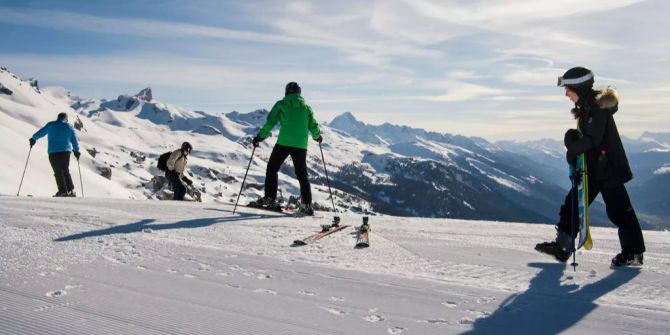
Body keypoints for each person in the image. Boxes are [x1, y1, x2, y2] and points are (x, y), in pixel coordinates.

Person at [535, 66, 645, 267]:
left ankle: (633, 253)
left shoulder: (596, 109)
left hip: (608, 170)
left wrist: (571, 143)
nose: (566, 93)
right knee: (572, 204)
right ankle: (563, 246)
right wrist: (574, 147)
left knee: (620, 211)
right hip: (593, 170)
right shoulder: (588, 108)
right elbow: (588, 141)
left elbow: (592, 140)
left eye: (568, 88)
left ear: (580, 87)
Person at [250, 82, 322, 215]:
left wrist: (260, 137)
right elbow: (313, 125)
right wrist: (317, 137)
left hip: (283, 142)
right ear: (299, 93)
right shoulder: (306, 108)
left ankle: (270, 199)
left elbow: (270, 122)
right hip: (301, 145)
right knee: (302, 175)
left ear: (286, 92)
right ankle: (306, 205)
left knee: (272, 168)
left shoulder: (281, 104)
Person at [30, 112, 81, 197]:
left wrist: (33, 139)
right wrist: (76, 150)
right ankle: (70, 190)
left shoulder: (51, 125)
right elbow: (74, 139)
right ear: (66, 118)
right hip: (65, 152)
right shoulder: (69, 126)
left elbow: (41, 132)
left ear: (58, 117)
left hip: (53, 152)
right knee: (65, 170)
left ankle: (62, 191)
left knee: (58, 171)